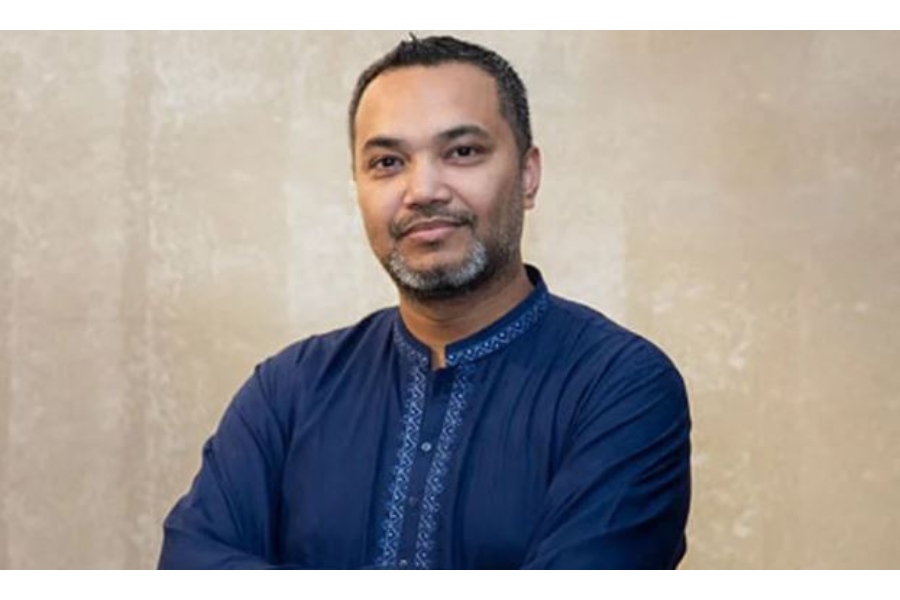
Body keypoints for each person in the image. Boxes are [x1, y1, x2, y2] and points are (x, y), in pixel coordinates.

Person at [158, 34, 691, 570]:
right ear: (358, 187)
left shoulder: (620, 386)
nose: (423, 190)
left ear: (528, 176)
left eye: (463, 152)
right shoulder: (289, 390)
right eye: (388, 162)